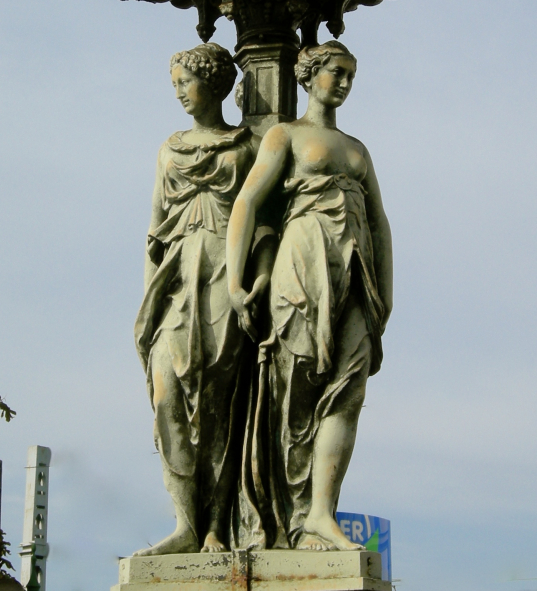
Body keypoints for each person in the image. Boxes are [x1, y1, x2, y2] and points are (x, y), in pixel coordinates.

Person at [226, 40, 393, 551]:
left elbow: (381, 224)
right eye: (335, 72)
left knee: (348, 391)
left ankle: (322, 513)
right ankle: (285, 517)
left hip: (355, 272)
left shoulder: (358, 149)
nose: (343, 82)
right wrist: (235, 281)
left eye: (350, 75)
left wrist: (385, 293)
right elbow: (248, 203)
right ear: (309, 74)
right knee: (294, 391)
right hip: (301, 266)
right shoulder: (286, 135)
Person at [134, 42, 272, 555]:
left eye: (183, 82)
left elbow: (264, 223)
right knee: (167, 396)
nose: (178, 93)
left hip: (223, 276)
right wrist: (147, 302)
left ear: (213, 83)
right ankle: (182, 522)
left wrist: (253, 280)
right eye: (173, 85)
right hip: (175, 279)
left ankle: (215, 523)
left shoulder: (245, 147)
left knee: (219, 404)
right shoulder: (169, 149)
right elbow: (153, 230)